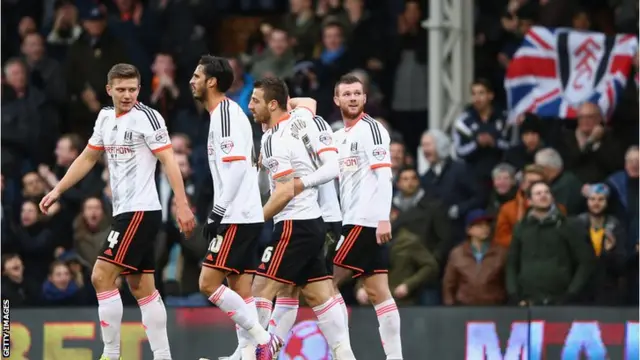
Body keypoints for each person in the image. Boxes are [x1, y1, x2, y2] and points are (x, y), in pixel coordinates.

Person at [39, 63, 196, 360]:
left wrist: (182, 204)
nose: (127, 95)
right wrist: (57, 189)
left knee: (101, 275)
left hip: (141, 211)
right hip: (123, 211)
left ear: (139, 89)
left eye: (133, 89)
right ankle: (163, 356)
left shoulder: (148, 118)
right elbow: (87, 158)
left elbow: (169, 162)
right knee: (142, 287)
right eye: (121, 90)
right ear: (109, 89)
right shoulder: (104, 117)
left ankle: (110, 354)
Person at [249, 77, 356, 360]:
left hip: (293, 224)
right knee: (318, 293)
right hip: (314, 222)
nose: (250, 106)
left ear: (272, 104)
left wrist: (252, 221)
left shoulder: (273, 140)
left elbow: (285, 191)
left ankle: (249, 353)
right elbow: (307, 103)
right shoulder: (305, 117)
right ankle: (345, 353)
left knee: (261, 287)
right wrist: (286, 106)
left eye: (255, 101)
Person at [189, 55, 276, 360]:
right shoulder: (223, 115)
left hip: (236, 215)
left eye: (197, 76)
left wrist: (218, 211)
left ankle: (265, 339)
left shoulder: (225, 115)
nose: (192, 81)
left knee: (208, 283)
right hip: (245, 213)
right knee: (240, 287)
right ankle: (245, 354)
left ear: (212, 82)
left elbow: (238, 168)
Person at [332, 74, 403, 360]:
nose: (352, 98)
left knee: (325, 282)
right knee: (378, 292)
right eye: (346, 94)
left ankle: (343, 354)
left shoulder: (372, 129)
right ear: (337, 100)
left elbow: (384, 174)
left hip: (366, 221)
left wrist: (383, 217)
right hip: (351, 220)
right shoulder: (338, 136)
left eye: (357, 93)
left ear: (365, 98)